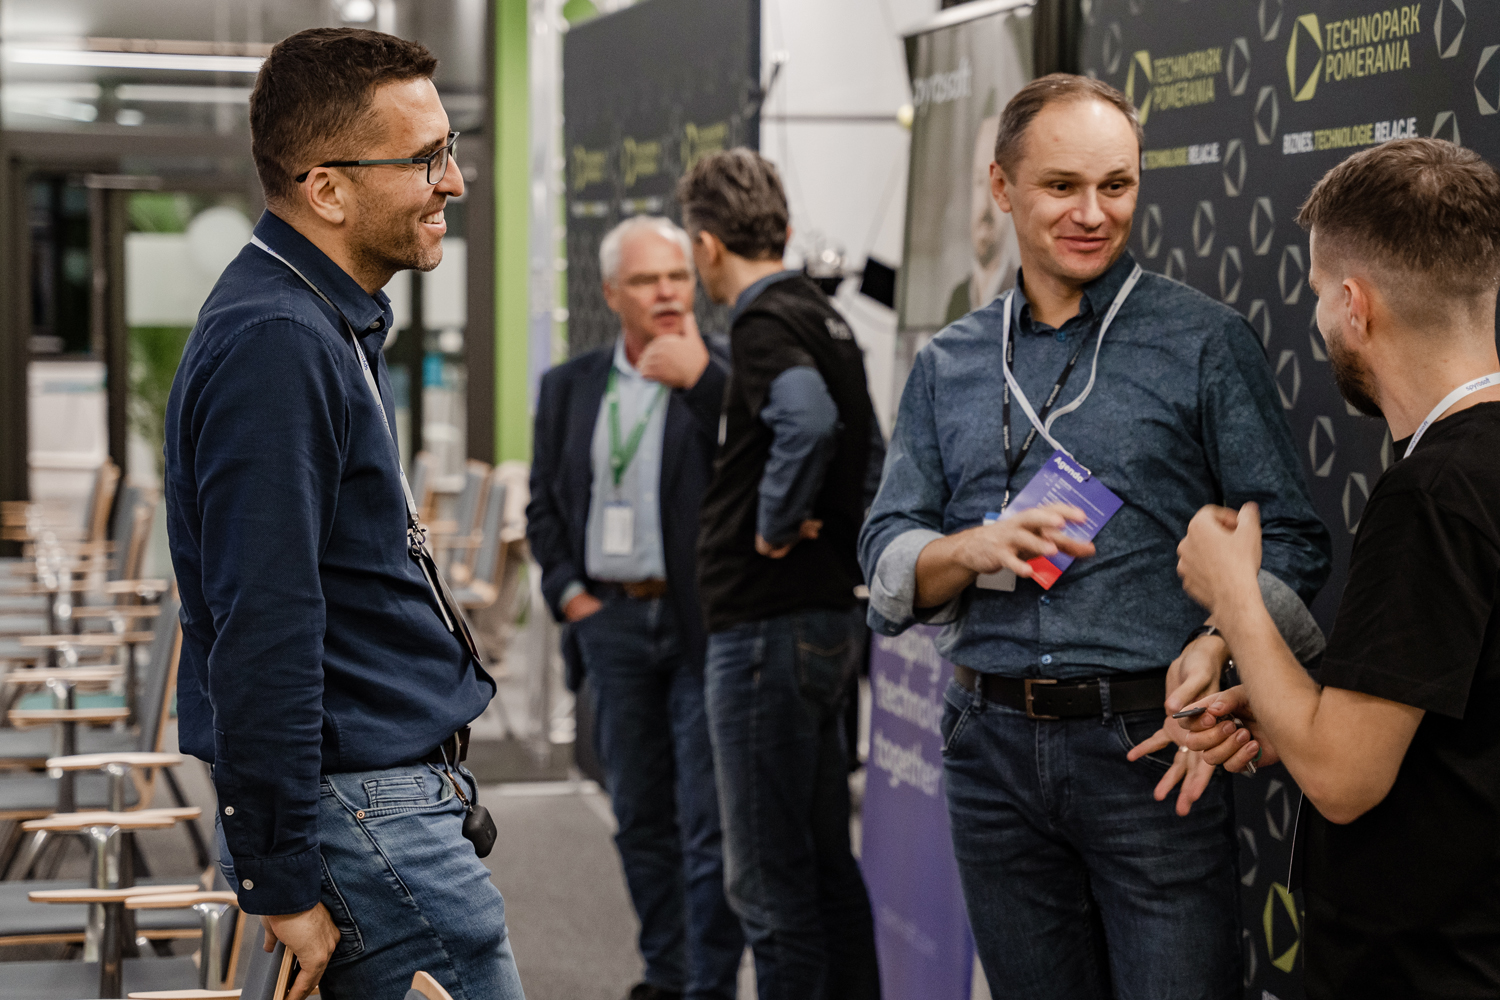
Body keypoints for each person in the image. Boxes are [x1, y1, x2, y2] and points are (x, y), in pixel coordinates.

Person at [858, 73, 1331, 1000]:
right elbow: (884, 550)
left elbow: (1298, 542)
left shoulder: (1202, 343)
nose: (1093, 212)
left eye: (1116, 185)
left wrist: (1219, 642)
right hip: (987, 746)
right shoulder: (949, 361)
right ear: (1001, 188)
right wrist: (972, 548)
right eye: (1062, 186)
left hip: (1151, 747)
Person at [164, 28, 523, 1000]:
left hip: (381, 807)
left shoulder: (319, 322)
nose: (453, 181)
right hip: (364, 818)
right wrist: (280, 874)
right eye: (425, 159)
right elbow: (265, 624)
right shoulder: (278, 344)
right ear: (325, 187)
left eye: (449, 150)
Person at [1167, 138, 1500, 998]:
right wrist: (1292, 711)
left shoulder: (1432, 491)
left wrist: (1233, 593)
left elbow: (1346, 780)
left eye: (1318, 298)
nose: (1317, 323)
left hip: (1421, 963)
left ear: (1354, 305)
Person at [677, 148, 884, 1000]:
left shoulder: (763, 324)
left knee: (767, 885)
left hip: (766, 631)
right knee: (822, 868)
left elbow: (805, 420)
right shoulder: (824, 318)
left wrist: (769, 526)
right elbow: (867, 452)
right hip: (822, 620)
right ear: (785, 230)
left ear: (706, 246)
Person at [525, 216, 744, 1000]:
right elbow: (544, 507)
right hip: (610, 622)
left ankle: (710, 985)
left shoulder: (724, 378)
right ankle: (667, 971)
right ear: (612, 292)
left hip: (698, 630)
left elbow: (761, 485)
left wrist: (704, 388)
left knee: (708, 823)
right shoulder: (569, 386)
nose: (666, 294)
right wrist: (572, 596)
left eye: (679, 278)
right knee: (641, 815)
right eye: (648, 281)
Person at [943, 107, 1020, 325]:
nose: (986, 204)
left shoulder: (1027, 296)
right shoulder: (958, 299)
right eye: (979, 182)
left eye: (999, 184)